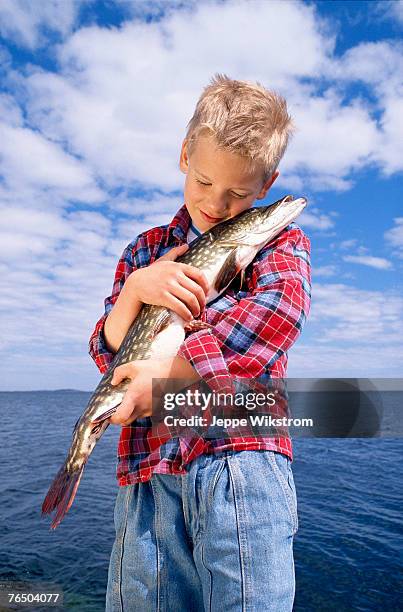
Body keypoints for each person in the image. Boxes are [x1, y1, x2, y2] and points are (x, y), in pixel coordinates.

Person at [89, 73, 311, 612]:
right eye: (205, 180)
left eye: (238, 192)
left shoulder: (279, 239)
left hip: (241, 460)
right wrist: (133, 296)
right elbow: (108, 352)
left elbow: (276, 314)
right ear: (185, 155)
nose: (216, 202)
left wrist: (165, 381)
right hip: (149, 469)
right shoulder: (145, 250)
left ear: (266, 183)